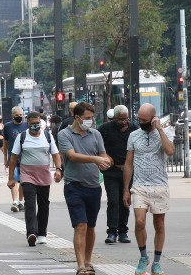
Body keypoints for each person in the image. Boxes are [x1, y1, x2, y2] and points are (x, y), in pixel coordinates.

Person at [57, 102, 112, 275]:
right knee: (80, 225)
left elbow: (103, 154)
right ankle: (80, 265)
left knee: (90, 226)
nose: (90, 121)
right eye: (87, 118)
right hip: (74, 186)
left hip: (94, 186)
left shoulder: (95, 134)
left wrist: (105, 161)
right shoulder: (64, 134)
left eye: (92, 118)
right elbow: (72, 156)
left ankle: (88, 261)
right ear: (77, 117)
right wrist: (95, 159)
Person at [123, 104, 174, 275]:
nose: (141, 122)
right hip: (139, 186)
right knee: (139, 222)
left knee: (159, 224)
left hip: (160, 186)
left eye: (144, 120)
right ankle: (144, 256)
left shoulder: (163, 133)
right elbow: (128, 163)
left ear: (153, 118)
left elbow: (170, 151)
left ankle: (157, 262)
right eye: (139, 119)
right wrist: (125, 189)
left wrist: (159, 129)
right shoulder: (133, 136)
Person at [8, 112, 63, 246]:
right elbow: (13, 159)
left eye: (37, 123)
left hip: (44, 175)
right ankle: (31, 233)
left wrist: (58, 169)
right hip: (27, 175)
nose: (35, 126)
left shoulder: (47, 136)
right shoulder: (22, 137)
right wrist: (11, 178)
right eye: (32, 123)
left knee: (44, 205)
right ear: (28, 123)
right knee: (30, 203)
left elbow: (55, 154)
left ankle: (42, 233)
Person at [98, 105, 137, 244]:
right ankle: (112, 231)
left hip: (128, 171)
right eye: (120, 119)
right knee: (113, 201)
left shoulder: (134, 129)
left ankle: (123, 231)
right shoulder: (105, 129)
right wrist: (105, 156)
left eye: (125, 119)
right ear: (114, 118)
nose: (123, 122)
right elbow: (97, 145)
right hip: (111, 171)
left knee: (125, 201)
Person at [3, 107, 28, 212]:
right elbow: (5, 143)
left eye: (21, 115)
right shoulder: (7, 126)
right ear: (12, 115)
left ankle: (20, 202)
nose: (19, 117)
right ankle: (14, 201)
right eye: (17, 115)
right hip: (13, 158)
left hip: (25, 158)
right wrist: (5, 158)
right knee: (13, 179)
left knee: (22, 181)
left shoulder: (26, 125)